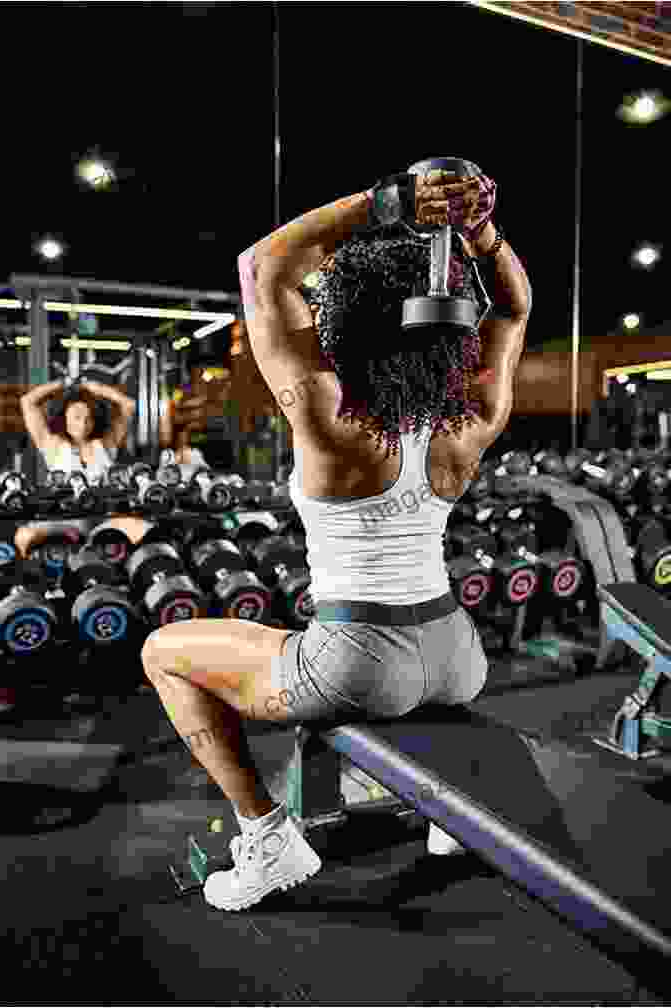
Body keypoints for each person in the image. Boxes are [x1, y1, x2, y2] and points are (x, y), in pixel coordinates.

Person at [139, 167, 532, 912]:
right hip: (458, 654)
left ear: (346, 323)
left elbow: (262, 268)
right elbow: (512, 307)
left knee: (165, 653)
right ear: (450, 329)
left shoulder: (333, 421)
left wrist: (386, 202)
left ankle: (267, 837)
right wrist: (483, 237)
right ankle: (447, 813)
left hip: (361, 662)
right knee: (295, 641)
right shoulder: (473, 419)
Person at [20, 378, 135, 485]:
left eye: (88, 418)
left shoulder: (105, 444)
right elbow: (27, 401)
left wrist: (99, 389)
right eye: (77, 417)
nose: (83, 424)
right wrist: (62, 383)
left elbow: (129, 404)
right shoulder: (53, 445)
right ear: (64, 418)